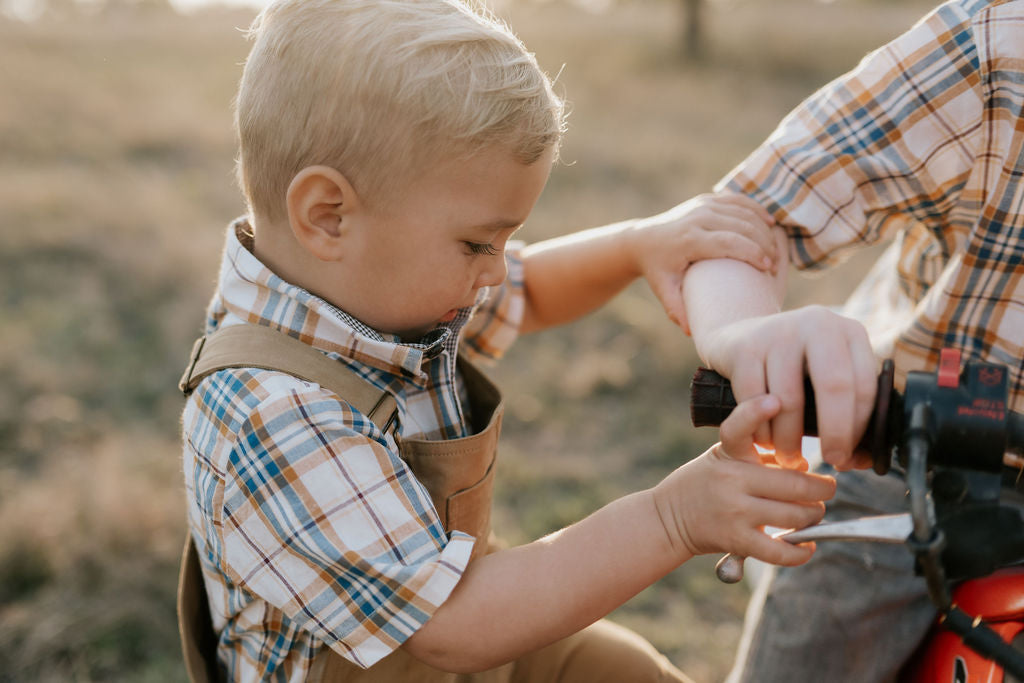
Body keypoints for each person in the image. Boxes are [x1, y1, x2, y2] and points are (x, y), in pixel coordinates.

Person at [176, 0, 838, 681]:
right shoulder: (276, 415)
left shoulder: (365, 287)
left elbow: (533, 288)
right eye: (477, 243)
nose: (494, 270)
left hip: (471, 622)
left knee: (624, 669)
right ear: (328, 216)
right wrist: (673, 518)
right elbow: (453, 628)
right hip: (443, 629)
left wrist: (639, 245)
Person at [680, 0, 1024, 680]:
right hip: (922, 459)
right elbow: (743, 215)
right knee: (820, 640)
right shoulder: (996, 50)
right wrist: (745, 334)